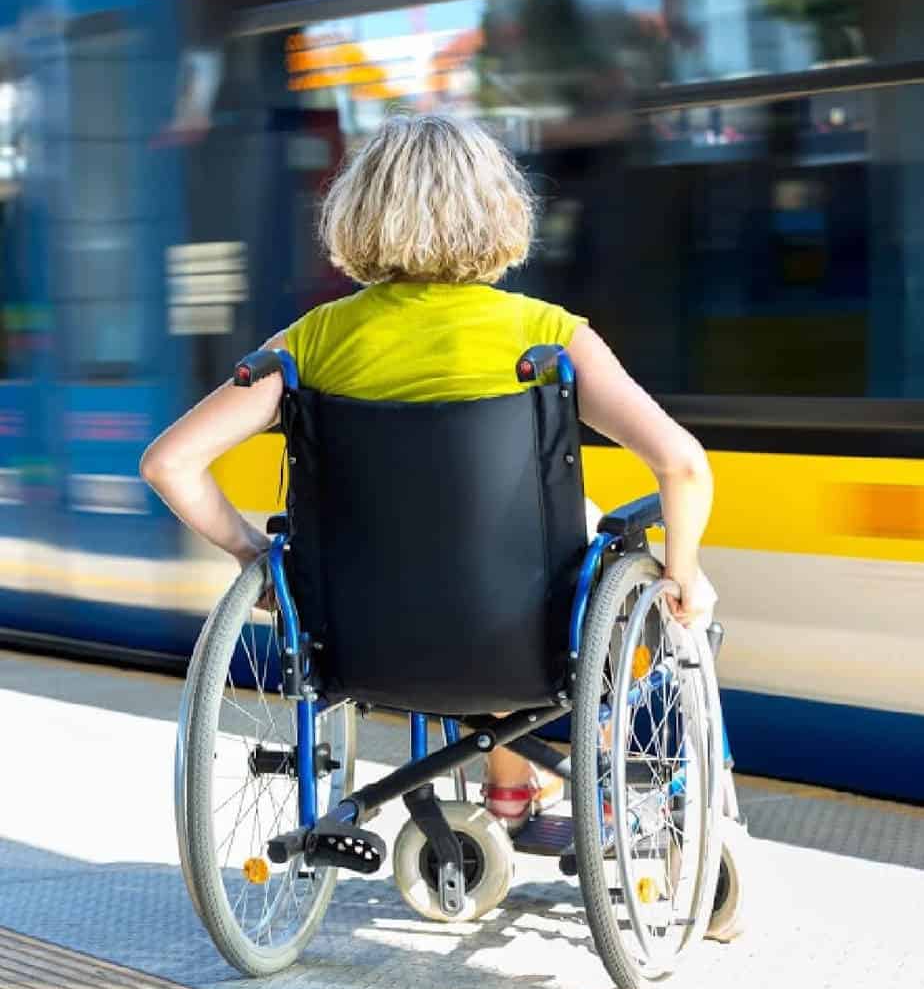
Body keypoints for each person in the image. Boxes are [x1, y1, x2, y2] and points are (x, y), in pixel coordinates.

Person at [141, 113, 715, 834]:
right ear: (497, 211)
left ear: (359, 213)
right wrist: (685, 573)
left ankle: (509, 790)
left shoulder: (310, 342)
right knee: (614, 570)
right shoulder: (548, 334)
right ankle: (672, 803)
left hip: (365, 648)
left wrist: (253, 556)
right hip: (522, 636)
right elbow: (681, 465)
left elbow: (169, 464)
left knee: (474, 560)